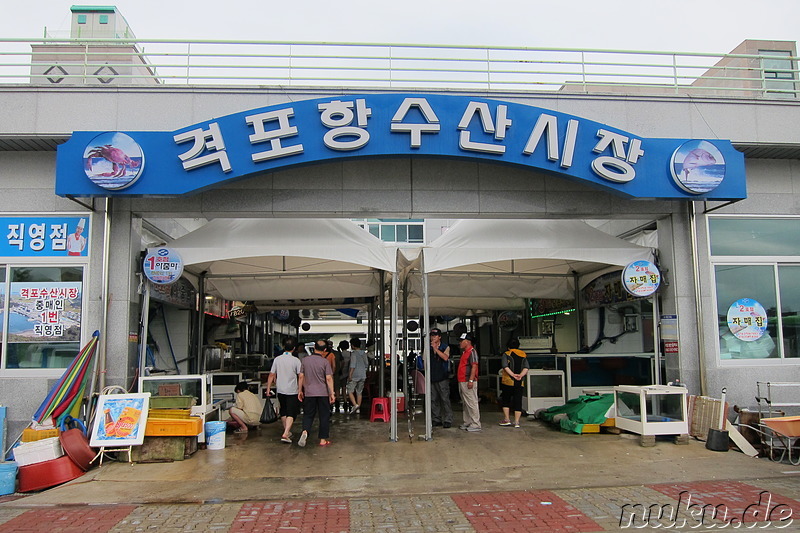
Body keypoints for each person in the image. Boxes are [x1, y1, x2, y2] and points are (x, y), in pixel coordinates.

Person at [297, 339, 336, 447]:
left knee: (308, 415)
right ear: (324, 350)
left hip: (309, 393)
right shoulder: (325, 362)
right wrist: (332, 393)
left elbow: (301, 376)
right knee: (324, 416)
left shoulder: (305, 360)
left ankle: (305, 431)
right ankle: (323, 440)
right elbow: (328, 378)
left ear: (314, 347)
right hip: (323, 393)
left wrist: (300, 390)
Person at [265, 337, 302, 443]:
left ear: (283, 347)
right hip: (292, 390)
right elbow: (300, 376)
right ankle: (286, 433)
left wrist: (268, 389)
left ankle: (287, 430)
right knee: (291, 412)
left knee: (284, 410)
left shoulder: (277, 359)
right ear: (294, 348)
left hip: (280, 389)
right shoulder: (296, 361)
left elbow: (272, 375)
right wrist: (300, 390)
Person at [499, 338, 529, 428]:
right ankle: (516, 422)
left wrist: (513, 375)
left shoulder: (506, 354)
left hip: (508, 382)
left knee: (506, 400)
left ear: (508, 347)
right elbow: (526, 367)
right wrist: (520, 376)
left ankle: (507, 419)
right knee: (518, 401)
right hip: (520, 383)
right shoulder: (523, 354)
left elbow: (505, 366)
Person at [428, 328, 453, 428]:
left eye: (435, 335)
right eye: (432, 335)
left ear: (439, 337)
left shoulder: (445, 347)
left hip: (442, 377)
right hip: (432, 376)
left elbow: (445, 357)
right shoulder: (427, 347)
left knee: (445, 398)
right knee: (433, 399)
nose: (433, 337)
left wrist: (435, 349)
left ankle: (448, 419)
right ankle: (436, 419)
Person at [457, 332, 481, 432]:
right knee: (466, 403)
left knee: (471, 402)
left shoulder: (472, 352)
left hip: (468, 381)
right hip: (463, 381)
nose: (460, 343)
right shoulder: (465, 352)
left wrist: (471, 380)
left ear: (468, 342)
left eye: (462, 341)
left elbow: (474, 366)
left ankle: (476, 424)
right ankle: (467, 422)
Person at [347, 337, 369, 415]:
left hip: (355, 375)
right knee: (359, 392)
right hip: (362, 374)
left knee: (350, 390)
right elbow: (366, 364)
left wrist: (350, 375)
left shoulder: (353, 354)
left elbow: (352, 365)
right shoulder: (364, 353)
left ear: (352, 345)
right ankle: (358, 409)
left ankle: (355, 405)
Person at [335, 340, 351, 413]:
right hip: (347, 373)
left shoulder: (339, 354)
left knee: (337, 388)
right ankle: (345, 401)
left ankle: (337, 401)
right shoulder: (350, 354)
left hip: (339, 372)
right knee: (344, 388)